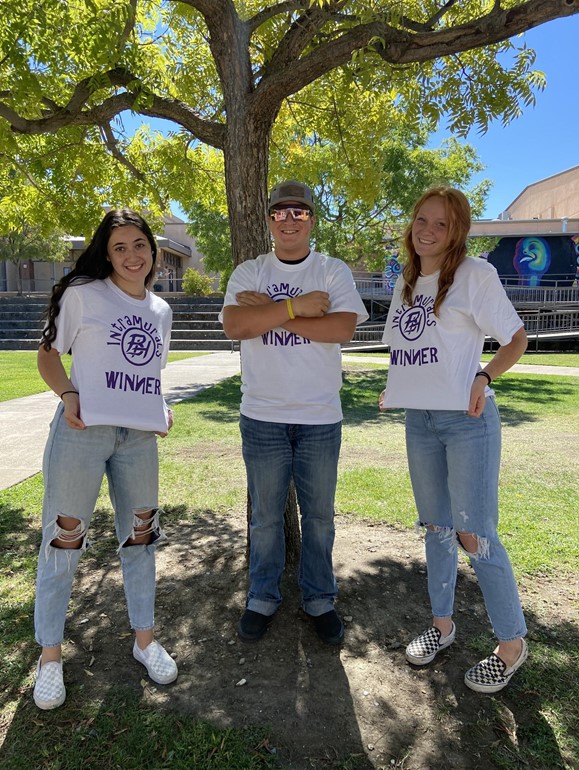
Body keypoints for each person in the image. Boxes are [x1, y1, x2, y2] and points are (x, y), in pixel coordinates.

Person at [380, 186, 529, 694]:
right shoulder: (406, 280)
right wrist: (395, 388)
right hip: (419, 421)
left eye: (440, 224)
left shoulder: (475, 275)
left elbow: (516, 337)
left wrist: (484, 377)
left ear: (457, 230)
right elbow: (409, 349)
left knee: (474, 534)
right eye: (422, 219)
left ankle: (511, 643)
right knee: (437, 529)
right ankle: (442, 626)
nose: (427, 230)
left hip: (467, 421)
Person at [33, 209, 178, 710]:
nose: (132, 256)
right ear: (105, 253)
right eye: (120, 248)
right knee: (64, 538)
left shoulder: (162, 310)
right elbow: (48, 355)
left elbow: (148, 374)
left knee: (142, 536)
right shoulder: (83, 295)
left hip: (138, 439)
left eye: (140, 245)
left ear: (152, 252)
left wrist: (160, 408)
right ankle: (50, 656)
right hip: (82, 434)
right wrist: (68, 395)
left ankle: (144, 641)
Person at [221, 180, 368, 645]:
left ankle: (319, 597)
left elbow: (341, 328)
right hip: (261, 414)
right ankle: (262, 596)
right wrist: (298, 307)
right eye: (280, 212)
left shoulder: (332, 271)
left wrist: (274, 312)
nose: (289, 219)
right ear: (268, 220)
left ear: (311, 220)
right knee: (264, 517)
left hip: (320, 416)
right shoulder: (249, 271)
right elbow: (235, 325)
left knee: (319, 516)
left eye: (299, 212)